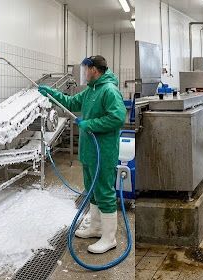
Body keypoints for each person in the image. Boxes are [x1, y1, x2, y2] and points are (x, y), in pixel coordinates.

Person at [39, 55, 126, 254]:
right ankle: (96, 227)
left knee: (104, 191)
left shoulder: (109, 91)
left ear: (94, 69)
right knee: (92, 190)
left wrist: (91, 124)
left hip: (103, 151)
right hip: (89, 152)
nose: (84, 73)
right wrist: (51, 94)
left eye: (86, 69)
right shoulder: (90, 90)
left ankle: (109, 237)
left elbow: (118, 117)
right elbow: (70, 102)